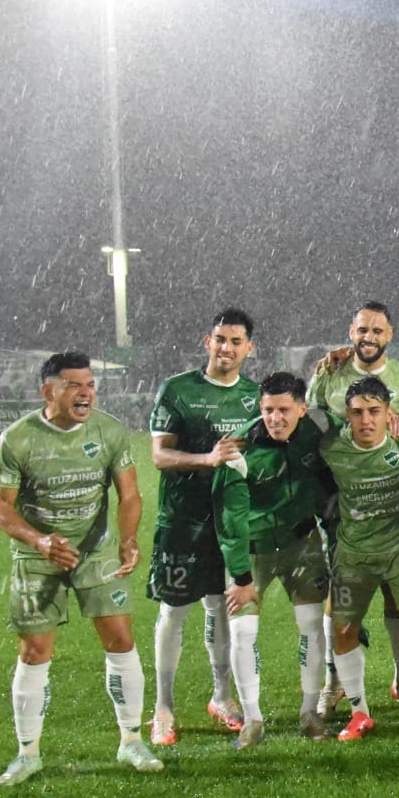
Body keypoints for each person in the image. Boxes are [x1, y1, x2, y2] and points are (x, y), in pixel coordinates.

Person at [0, 352, 162, 785]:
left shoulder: (109, 431)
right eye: (73, 385)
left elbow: (131, 495)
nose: (86, 392)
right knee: (34, 651)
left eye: (90, 384)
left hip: (97, 551)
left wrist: (126, 539)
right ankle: (28, 753)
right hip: (37, 555)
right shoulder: (17, 439)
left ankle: (131, 741)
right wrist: (40, 541)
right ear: (47, 391)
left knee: (121, 639)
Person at [308, 302, 399, 714]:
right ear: (351, 330)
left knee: (398, 594)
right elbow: (309, 424)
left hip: (390, 500)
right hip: (340, 500)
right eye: (362, 329)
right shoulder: (332, 373)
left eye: (377, 331)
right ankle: (334, 682)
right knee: (339, 595)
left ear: (390, 335)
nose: (369, 337)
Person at [147, 308, 260, 746]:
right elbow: (160, 455)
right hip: (180, 521)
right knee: (173, 612)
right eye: (219, 339)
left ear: (249, 348)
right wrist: (206, 460)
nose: (226, 348)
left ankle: (221, 696)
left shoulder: (254, 397)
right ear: (207, 342)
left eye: (235, 341)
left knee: (220, 609)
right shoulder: (177, 389)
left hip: (228, 525)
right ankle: (163, 707)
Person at [319, 375, 399, 741]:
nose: (366, 420)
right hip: (352, 558)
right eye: (357, 413)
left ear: (389, 412)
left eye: (374, 411)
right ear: (346, 415)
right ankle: (359, 713)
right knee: (343, 632)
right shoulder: (331, 447)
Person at [212, 371, 335, 746]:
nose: (275, 418)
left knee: (312, 627)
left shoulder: (318, 431)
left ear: (302, 408)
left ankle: (309, 713)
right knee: (243, 632)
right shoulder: (240, 448)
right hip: (252, 552)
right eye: (268, 410)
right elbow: (230, 520)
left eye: (284, 409)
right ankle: (252, 720)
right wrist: (241, 578)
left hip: (303, 544)